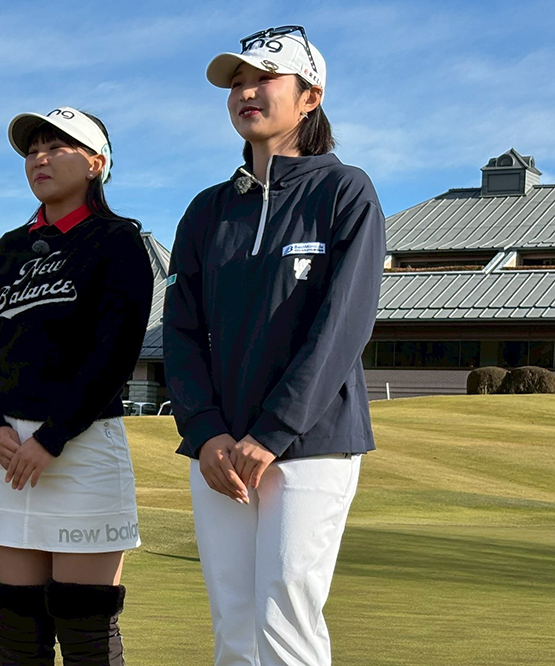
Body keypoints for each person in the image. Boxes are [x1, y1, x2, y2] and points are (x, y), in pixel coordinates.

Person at [163, 26, 385, 666]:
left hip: (312, 442)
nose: (246, 92)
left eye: (264, 78)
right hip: (219, 449)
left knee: (284, 614)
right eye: (236, 82)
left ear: (310, 97)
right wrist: (205, 431)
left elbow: (342, 326)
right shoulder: (206, 210)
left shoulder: (344, 191)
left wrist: (273, 431)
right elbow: (180, 332)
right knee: (234, 623)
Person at [0, 107, 153, 666]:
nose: (39, 159)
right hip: (11, 457)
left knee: (84, 627)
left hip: (83, 446)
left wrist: (52, 437)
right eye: (32, 150)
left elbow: (113, 356)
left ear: (96, 163)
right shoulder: (9, 248)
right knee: (18, 630)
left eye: (57, 147)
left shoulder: (118, 241)